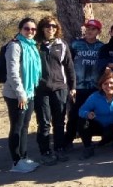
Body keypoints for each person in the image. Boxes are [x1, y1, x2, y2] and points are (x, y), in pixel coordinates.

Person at [34, 16, 76, 165]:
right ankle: (45, 151)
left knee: (59, 121)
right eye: (47, 26)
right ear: (42, 28)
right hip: (40, 89)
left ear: (57, 28)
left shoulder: (61, 44)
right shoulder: (36, 45)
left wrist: (73, 87)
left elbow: (69, 67)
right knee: (44, 122)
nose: (50, 28)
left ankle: (59, 148)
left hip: (60, 87)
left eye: (53, 26)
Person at [2, 18, 42, 173]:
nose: (30, 31)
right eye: (27, 28)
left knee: (24, 127)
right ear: (20, 29)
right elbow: (12, 73)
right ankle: (16, 161)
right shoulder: (14, 46)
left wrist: (28, 92)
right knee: (17, 127)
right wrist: (21, 94)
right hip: (16, 94)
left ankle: (23, 157)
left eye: (33, 29)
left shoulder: (31, 46)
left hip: (29, 91)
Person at [65, 19, 104, 150]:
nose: (90, 31)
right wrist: (71, 85)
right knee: (75, 113)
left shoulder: (101, 47)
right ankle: (68, 140)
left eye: (93, 29)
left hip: (94, 86)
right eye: (88, 28)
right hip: (78, 86)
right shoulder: (76, 44)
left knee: (92, 114)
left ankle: (88, 139)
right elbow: (68, 64)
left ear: (98, 31)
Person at [78, 70, 113, 160]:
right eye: (105, 84)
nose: (108, 86)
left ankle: (107, 141)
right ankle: (88, 147)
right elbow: (82, 110)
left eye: (111, 83)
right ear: (101, 85)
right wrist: (87, 114)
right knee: (82, 120)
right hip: (98, 125)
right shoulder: (95, 97)